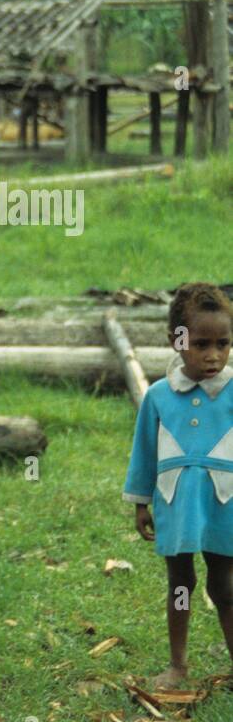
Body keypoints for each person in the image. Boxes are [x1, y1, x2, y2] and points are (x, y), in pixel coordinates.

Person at [123, 282, 233, 690]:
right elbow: (144, 453)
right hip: (177, 503)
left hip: (225, 503)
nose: (213, 355)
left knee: (226, 586)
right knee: (181, 583)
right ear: (177, 340)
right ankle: (178, 665)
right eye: (201, 344)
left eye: (223, 343)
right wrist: (140, 503)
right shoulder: (158, 397)